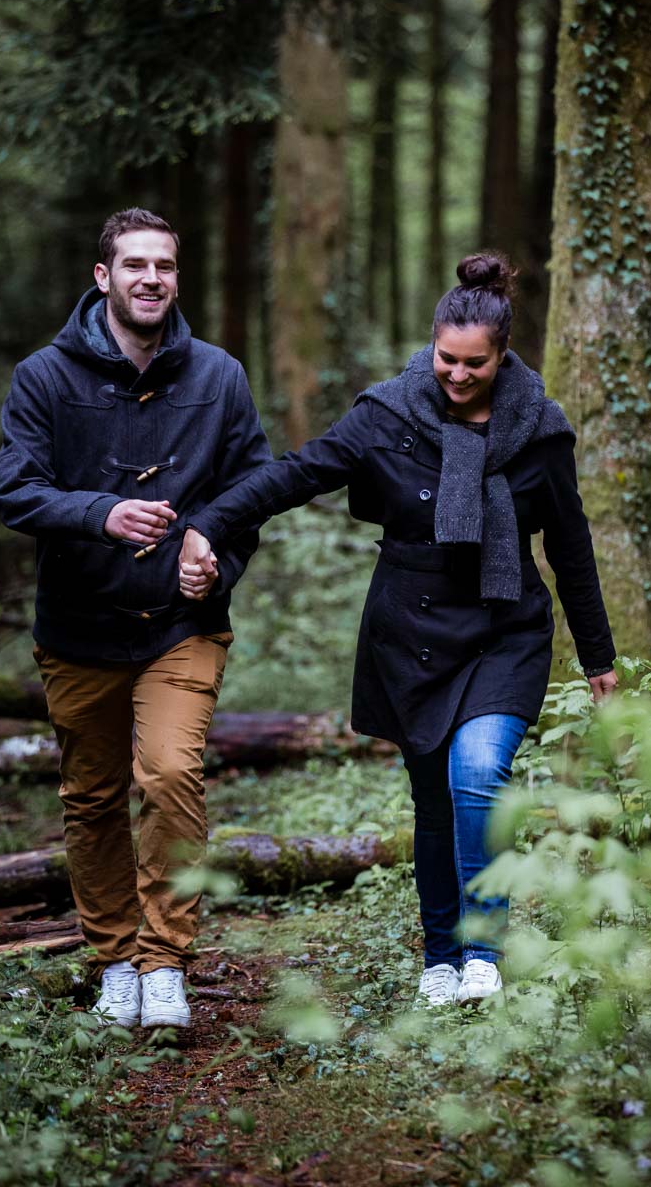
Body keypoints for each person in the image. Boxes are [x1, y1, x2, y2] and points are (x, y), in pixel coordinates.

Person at [180, 253, 617, 1007]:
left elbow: (569, 546)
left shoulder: (540, 432)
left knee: (478, 774)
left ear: (502, 355)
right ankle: (439, 958)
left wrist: (599, 657)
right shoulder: (388, 414)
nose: (456, 374)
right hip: (410, 635)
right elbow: (298, 472)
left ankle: (482, 951)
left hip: (504, 629)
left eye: (474, 364)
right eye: (446, 358)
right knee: (433, 801)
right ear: (432, 347)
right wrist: (210, 525)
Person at [0, 208, 271, 1031]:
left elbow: (250, 489)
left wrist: (211, 543)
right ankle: (114, 958)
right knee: (91, 798)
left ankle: (165, 963)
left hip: (180, 624)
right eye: (136, 265)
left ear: (177, 278)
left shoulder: (219, 376)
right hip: (78, 628)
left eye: (166, 265)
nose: (153, 278)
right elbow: (16, 491)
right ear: (103, 278)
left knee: (171, 773)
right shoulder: (44, 377)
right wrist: (101, 513)